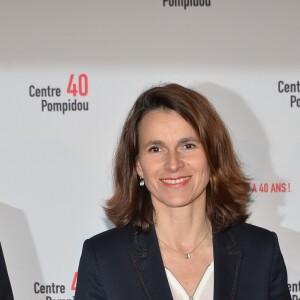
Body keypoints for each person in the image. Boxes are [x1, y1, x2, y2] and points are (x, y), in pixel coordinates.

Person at [75, 84, 291, 300]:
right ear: (138, 165)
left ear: (212, 155)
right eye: (156, 149)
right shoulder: (104, 258)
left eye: (187, 145)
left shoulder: (261, 251)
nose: (173, 164)